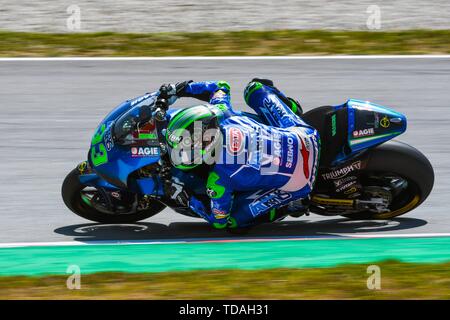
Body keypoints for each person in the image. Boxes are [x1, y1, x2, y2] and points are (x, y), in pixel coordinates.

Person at [161, 79, 320, 229]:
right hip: (306, 135)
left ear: (206, 148)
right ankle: (292, 109)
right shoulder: (224, 112)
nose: (181, 152)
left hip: (301, 180)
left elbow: (219, 221)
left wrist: (187, 199)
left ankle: (291, 205)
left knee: (233, 221)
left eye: (186, 149)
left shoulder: (218, 179)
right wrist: (181, 89)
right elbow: (220, 86)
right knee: (255, 87)